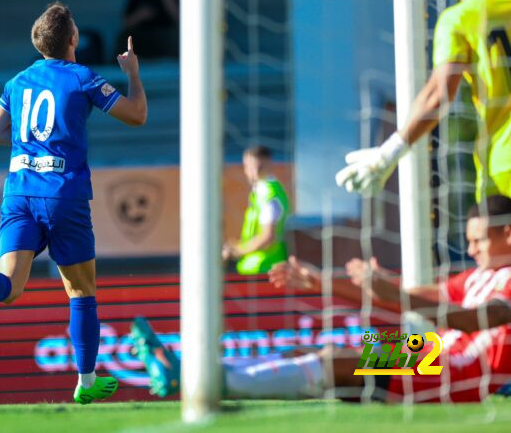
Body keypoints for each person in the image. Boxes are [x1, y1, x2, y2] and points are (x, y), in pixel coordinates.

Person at [0, 2, 147, 405]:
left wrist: (29, 146)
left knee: (9, 285)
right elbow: (137, 115)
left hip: (19, 191)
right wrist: (133, 75)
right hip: (63, 194)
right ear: (73, 39)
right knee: (80, 290)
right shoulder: (83, 78)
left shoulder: (18, 81)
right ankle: (87, 381)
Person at [132, 195, 511, 403]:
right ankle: (191, 370)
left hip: (462, 372)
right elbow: (405, 297)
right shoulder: (478, 275)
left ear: (507, 234)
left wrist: (394, 294)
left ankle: (203, 383)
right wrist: (320, 281)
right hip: (428, 351)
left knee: (336, 361)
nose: (471, 247)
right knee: (308, 350)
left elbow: (474, 320)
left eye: (480, 239)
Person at [335, 0, 511, 202]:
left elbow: (439, 94)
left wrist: (389, 153)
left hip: (505, 162)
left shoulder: (460, 18)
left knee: (485, 239)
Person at [222, 146, 290, 275]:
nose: (252, 171)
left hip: (264, 269)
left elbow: (268, 236)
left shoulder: (267, 193)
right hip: (257, 267)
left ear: (268, 164)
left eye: (257, 166)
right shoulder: (262, 192)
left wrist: (237, 251)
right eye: (248, 166)